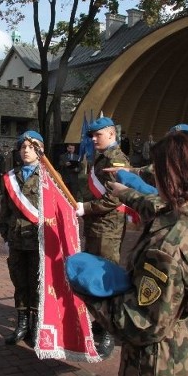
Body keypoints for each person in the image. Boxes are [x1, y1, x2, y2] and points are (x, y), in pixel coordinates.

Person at [79, 132, 188, 376]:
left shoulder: (167, 246)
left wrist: (89, 291)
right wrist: (128, 193)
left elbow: (140, 323)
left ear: (170, 175)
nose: (153, 178)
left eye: (157, 171)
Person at [75, 116, 130, 358]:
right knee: (94, 275)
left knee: (107, 277)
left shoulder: (116, 159)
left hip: (108, 227)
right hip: (96, 225)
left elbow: (113, 198)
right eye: (92, 135)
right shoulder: (101, 157)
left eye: (98, 134)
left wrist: (85, 208)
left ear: (111, 134)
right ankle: (99, 322)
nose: (93, 138)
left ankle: (108, 331)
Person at [0, 130, 43, 347]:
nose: (26, 151)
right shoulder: (11, 177)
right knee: (19, 282)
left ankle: (36, 326)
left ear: (39, 150)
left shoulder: (49, 177)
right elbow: (5, 210)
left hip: (38, 241)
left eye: (31, 147)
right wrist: (5, 235)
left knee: (36, 283)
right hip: (17, 238)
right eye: (22, 147)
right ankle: (22, 324)